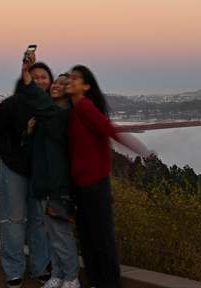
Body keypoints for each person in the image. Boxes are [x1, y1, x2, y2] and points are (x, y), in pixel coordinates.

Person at [65, 65, 149, 288]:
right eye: (69, 77)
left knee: (102, 241)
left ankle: (110, 284)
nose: (70, 81)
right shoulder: (73, 111)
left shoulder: (84, 106)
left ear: (86, 86)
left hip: (95, 186)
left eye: (76, 78)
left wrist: (140, 149)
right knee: (87, 240)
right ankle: (96, 283)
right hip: (80, 188)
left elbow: (108, 128)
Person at [0, 61, 52, 288]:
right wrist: (10, 152)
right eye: (35, 77)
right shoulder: (11, 105)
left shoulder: (51, 107)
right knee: (13, 220)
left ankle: (40, 268)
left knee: (40, 221)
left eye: (44, 77)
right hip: (14, 169)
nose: (40, 81)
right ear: (25, 80)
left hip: (41, 172)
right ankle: (13, 270)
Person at [18, 55, 80, 288]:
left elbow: (36, 98)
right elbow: (33, 151)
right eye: (56, 82)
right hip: (43, 182)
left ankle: (71, 277)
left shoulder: (65, 116)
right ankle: (58, 274)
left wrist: (26, 72)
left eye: (63, 83)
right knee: (51, 233)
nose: (55, 85)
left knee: (61, 233)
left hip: (59, 185)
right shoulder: (45, 117)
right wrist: (29, 131)